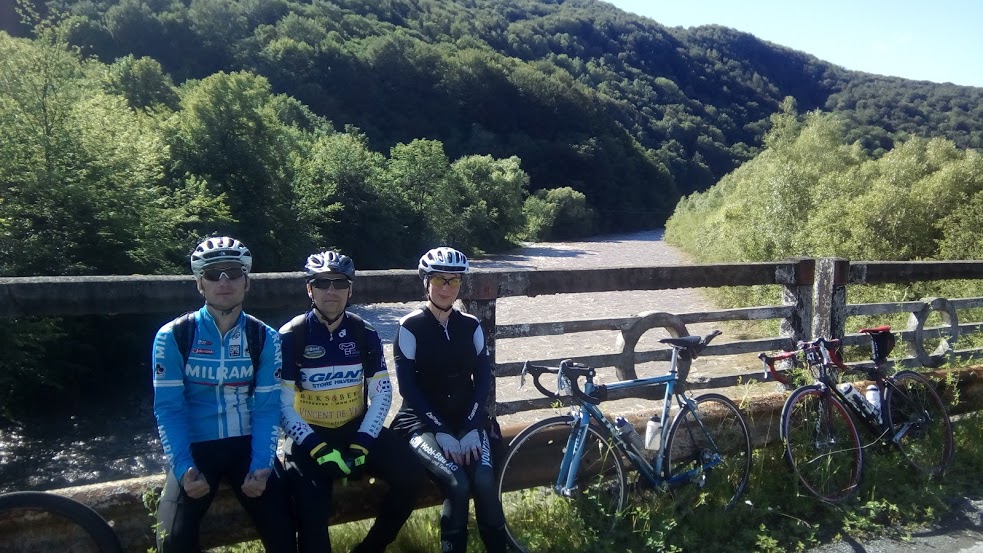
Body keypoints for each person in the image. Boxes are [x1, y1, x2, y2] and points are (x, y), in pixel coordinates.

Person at [151, 236, 295, 553]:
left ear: (247, 282)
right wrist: (183, 468)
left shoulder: (264, 337)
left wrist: (262, 466)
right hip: (196, 446)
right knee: (172, 541)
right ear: (200, 283)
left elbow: (267, 408)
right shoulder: (174, 335)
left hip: (246, 443)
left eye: (234, 273)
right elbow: (168, 409)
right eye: (214, 274)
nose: (224, 281)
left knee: (284, 533)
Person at [279, 250, 423, 553]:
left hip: (356, 430)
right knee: (310, 513)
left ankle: (369, 549)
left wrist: (362, 443)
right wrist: (318, 449)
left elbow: (382, 393)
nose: (331, 290)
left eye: (340, 283)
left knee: (412, 476)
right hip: (310, 436)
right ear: (309, 289)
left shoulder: (364, 332)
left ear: (350, 289)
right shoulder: (291, 336)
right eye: (322, 283)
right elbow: (281, 405)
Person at [391, 247, 507, 553]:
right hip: (420, 421)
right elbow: (408, 389)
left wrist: (470, 427)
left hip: (466, 419)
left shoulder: (470, 325)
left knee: (484, 480)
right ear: (426, 282)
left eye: (453, 281)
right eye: (439, 280)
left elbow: (483, 381)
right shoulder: (409, 327)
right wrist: (441, 431)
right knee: (457, 482)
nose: (446, 288)